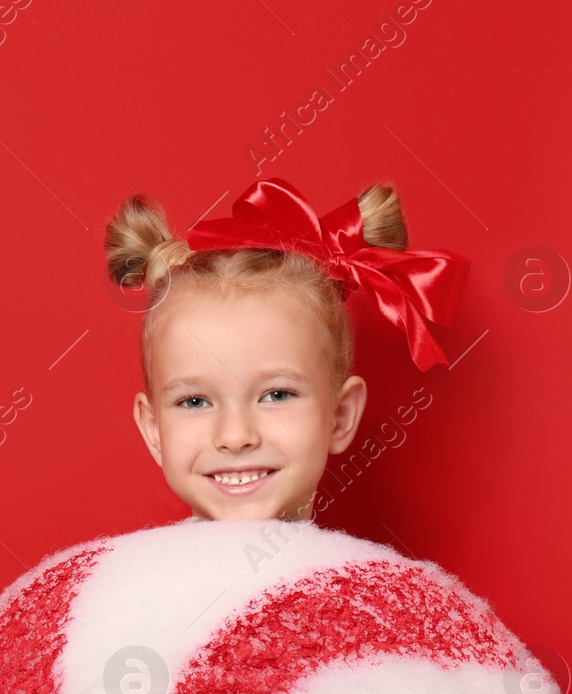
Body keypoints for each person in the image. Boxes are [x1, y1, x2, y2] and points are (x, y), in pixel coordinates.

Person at [104, 177, 467, 524]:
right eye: (195, 401)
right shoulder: (116, 585)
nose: (235, 436)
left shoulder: (393, 587)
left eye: (276, 394)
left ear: (340, 415)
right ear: (154, 429)